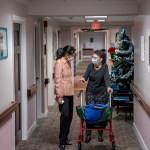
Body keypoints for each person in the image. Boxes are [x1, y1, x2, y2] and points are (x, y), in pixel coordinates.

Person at [79, 49, 113, 143]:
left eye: (95, 58)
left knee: (100, 112)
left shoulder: (105, 67)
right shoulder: (90, 66)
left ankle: (100, 133)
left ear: (101, 59)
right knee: (90, 113)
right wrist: (83, 79)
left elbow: (107, 78)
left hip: (101, 93)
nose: (92, 59)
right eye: (92, 57)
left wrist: (108, 87)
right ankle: (88, 134)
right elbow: (85, 76)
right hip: (90, 92)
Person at [54, 45, 76, 150]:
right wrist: (59, 96)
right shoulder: (59, 63)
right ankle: (61, 141)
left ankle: (66, 137)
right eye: (71, 54)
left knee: (70, 116)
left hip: (70, 92)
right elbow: (57, 81)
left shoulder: (67, 62)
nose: (72, 56)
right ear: (67, 54)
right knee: (64, 116)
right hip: (63, 94)